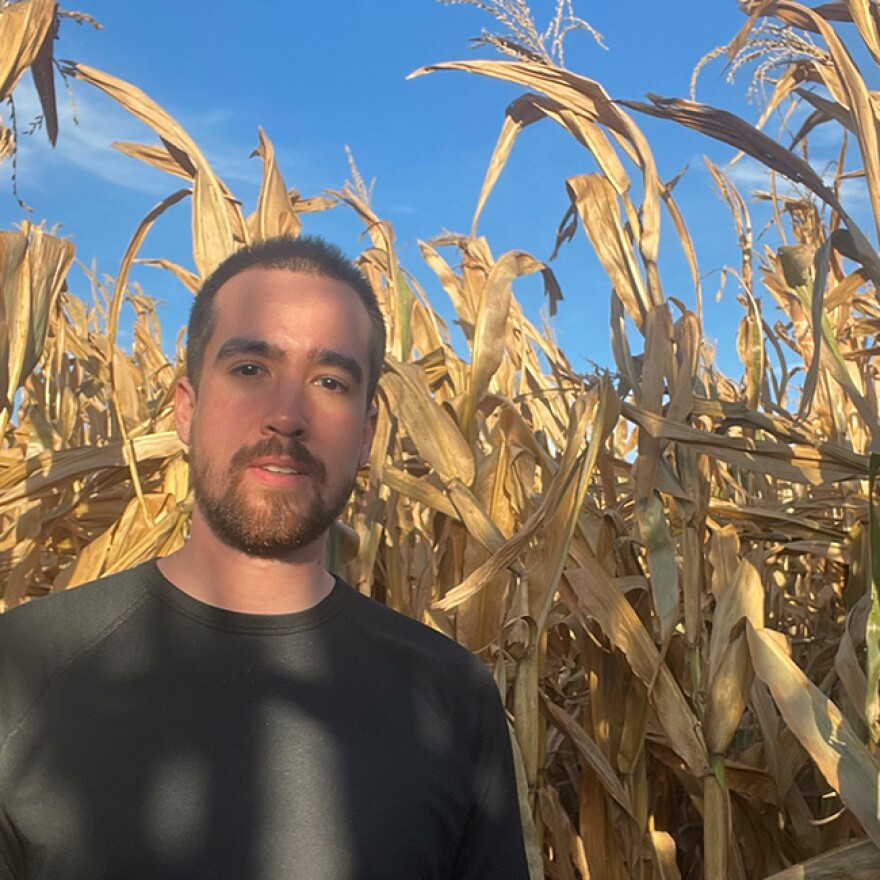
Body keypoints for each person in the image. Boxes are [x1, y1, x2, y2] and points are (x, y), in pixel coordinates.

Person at [0, 236, 530, 880]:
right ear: (186, 407)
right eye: (251, 368)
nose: (286, 416)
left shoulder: (450, 698)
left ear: (365, 435)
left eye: (330, 381)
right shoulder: (21, 670)